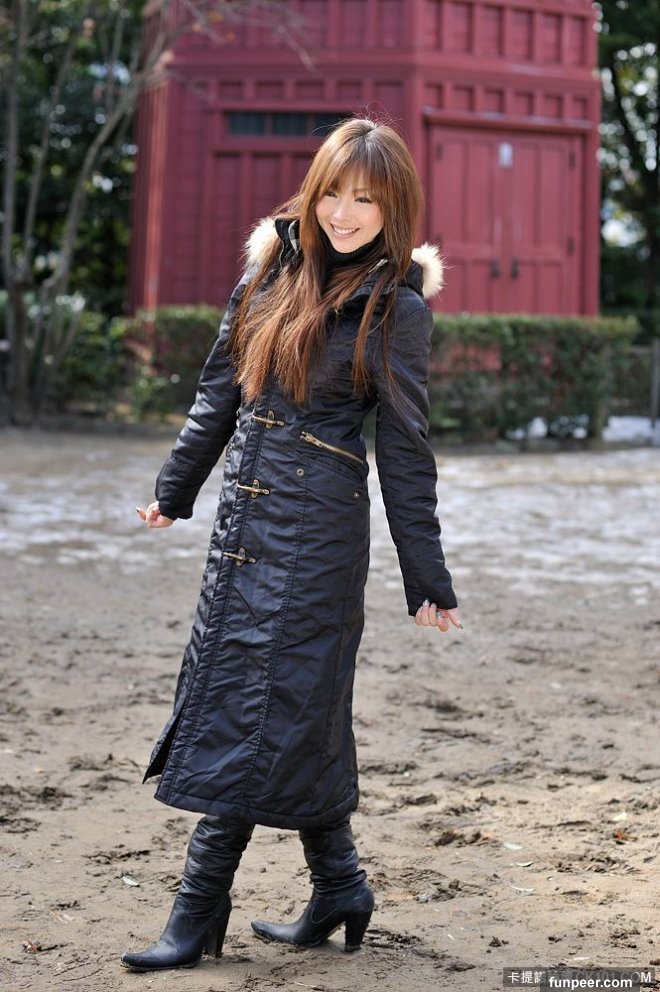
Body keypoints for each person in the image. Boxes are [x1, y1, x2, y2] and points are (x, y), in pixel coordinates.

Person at [122, 116, 460, 974]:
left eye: (366, 201)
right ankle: (341, 886)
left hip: (317, 538)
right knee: (294, 709)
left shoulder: (398, 308)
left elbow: (406, 450)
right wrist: (174, 490)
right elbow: (219, 392)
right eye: (334, 194)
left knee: (258, 705)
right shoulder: (271, 269)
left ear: (394, 210)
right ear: (312, 193)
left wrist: (427, 576)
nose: (345, 214)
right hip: (241, 527)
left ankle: (197, 910)